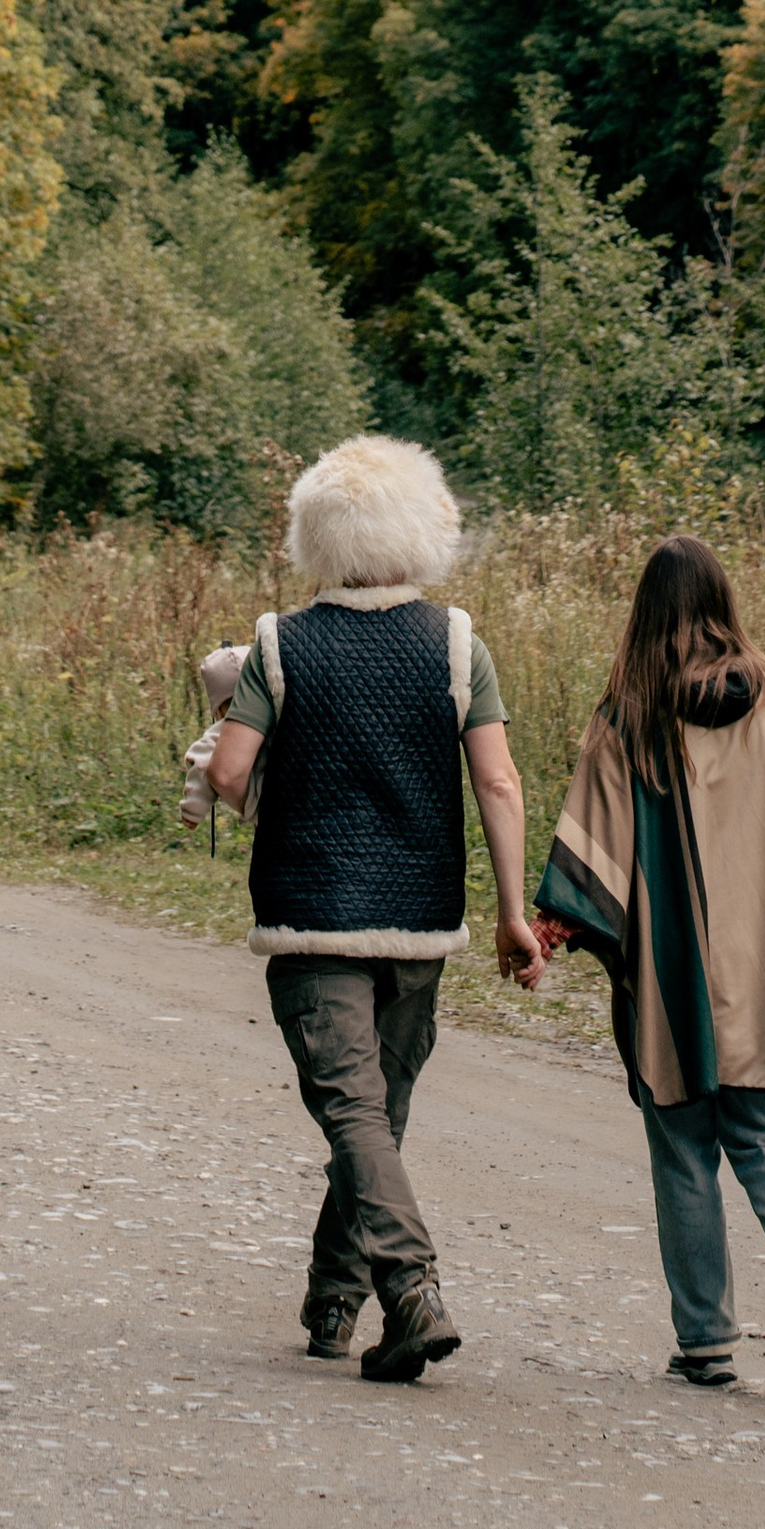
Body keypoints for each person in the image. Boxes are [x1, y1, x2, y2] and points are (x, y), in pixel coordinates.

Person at [206, 432, 544, 1382]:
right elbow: (500, 783)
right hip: (419, 916)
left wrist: (283, 800)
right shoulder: (456, 643)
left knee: (352, 1113)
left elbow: (231, 770)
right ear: (423, 530)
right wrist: (514, 912)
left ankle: (411, 1291)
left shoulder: (280, 642)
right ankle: (331, 1303)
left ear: (317, 536)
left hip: (311, 911)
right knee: (375, 1116)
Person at [532, 531, 765, 1399]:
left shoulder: (629, 718)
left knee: (685, 1150)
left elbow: (594, 860)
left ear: (645, 615)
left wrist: (556, 926)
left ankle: (705, 1344)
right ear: (724, 603)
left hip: (673, 983)